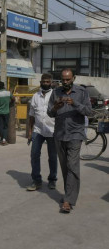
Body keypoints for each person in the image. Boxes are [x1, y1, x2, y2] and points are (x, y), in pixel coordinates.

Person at [47, 68, 92, 213]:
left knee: (72, 166)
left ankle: (68, 201)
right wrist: (56, 106)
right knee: (65, 167)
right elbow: (50, 113)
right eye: (63, 79)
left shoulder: (82, 92)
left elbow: (89, 112)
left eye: (68, 79)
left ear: (74, 78)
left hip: (75, 134)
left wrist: (75, 103)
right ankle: (69, 193)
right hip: (59, 134)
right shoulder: (56, 92)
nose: (65, 82)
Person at [26, 73, 57, 191]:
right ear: (40, 82)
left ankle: (52, 179)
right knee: (34, 155)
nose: (45, 84)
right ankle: (36, 180)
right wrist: (29, 132)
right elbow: (31, 116)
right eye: (43, 82)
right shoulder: (35, 96)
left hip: (52, 130)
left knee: (52, 156)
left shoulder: (55, 95)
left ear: (51, 82)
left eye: (48, 82)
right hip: (38, 130)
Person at [0, 81, 14, 145]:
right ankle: (4, 140)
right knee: (5, 127)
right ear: (4, 86)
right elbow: (13, 98)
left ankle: (2, 139)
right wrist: (9, 103)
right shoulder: (8, 93)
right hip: (6, 112)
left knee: (0, 127)